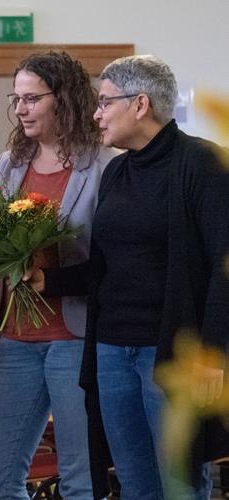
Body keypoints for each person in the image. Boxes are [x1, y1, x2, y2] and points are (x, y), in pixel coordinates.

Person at [31, 54, 229, 500]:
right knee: (135, 482)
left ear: (140, 104)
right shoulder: (118, 169)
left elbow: (223, 266)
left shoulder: (203, 164)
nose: (96, 114)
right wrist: (52, 281)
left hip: (173, 354)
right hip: (111, 349)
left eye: (104, 103)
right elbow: (108, 263)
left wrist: (214, 353)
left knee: (178, 483)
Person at [0, 51, 117, 500]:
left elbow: (110, 260)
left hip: (72, 338)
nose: (21, 109)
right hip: (14, 339)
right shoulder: (10, 164)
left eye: (32, 99)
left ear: (65, 99)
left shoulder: (104, 164)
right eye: (16, 99)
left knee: (79, 480)